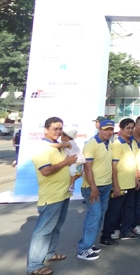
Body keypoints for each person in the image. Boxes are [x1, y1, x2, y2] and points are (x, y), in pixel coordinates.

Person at [27, 117, 78, 275]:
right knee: (43, 231)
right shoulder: (42, 148)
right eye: (55, 128)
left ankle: (49, 254)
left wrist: (73, 175)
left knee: (55, 228)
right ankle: (34, 266)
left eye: (60, 129)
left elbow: (63, 167)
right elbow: (46, 170)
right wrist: (67, 162)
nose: (58, 132)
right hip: (51, 197)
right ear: (46, 129)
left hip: (63, 194)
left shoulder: (58, 147)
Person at [77, 119, 115, 259]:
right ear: (99, 129)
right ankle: (84, 249)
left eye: (111, 129)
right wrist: (93, 188)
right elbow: (87, 167)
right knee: (94, 216)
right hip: (92, 188)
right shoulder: (91, 144)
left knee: (98, 217)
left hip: (106, 186)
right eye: (106, 129)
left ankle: (89, 242)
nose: (109, 132)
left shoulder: (109, 144)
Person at [100, 118, 139, 243]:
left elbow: (132, 163)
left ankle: (125, 231)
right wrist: (115, 186)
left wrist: (136, 179)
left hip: (131, 184)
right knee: (114, 211)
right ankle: (106, 235)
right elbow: (114, 166)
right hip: (120, 185)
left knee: (129, 209)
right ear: (121, 129)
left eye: (132, 128)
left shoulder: (132, 142)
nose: (130, 130)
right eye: (128, 128)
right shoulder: (117, 145)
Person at [57, 127, 85, 193]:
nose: (60, 136)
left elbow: (59, 145)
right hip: (76, 160)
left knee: (72, 172)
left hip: (76, 161)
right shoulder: (70, 141)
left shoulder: (69, 143)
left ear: (66, 137)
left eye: (61, 135)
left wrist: (50, 144)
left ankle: (72, 185)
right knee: (73, 173)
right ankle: (71, 184)